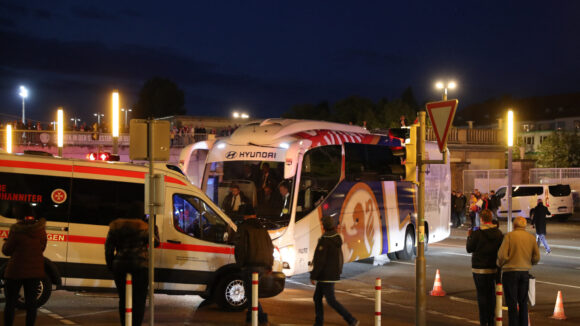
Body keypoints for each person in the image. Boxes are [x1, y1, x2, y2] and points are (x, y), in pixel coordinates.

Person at [105, 210, 159, 326]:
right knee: (139, 300)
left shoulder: (115, 227)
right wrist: (154, 228)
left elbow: (108, 249)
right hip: (140, 268)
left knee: (123, 299)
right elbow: (156, 243)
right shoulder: (144, 227)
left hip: (120, 267)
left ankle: (125, 323)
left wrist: (111, 266)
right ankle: (136, 324)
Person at [2, 204, 47, 326]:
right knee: (32, 304)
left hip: (15, 271)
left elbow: (7, 251)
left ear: (19, 216)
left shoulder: (16, 230)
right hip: (34, 272)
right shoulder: (41, 230)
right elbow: (41, 248)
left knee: (10, 303)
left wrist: (5, 243)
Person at [310, 216, 359, 326]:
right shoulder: (335, 238)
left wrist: (313, 275)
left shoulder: (325, 240)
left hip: (325, 275)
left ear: (324, 226)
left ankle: (351, 319)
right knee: (317, 297)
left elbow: (320, 260)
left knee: (331, 300)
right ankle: (318, 322)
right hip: (330, 274)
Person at [497, 217, 540, 326]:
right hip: (524, 273)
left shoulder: (509, 236)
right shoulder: (531, 238)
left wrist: (499, 264)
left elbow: (502, 255)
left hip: (510, 273)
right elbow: (536, 257)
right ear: (524, 225)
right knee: (523, 302)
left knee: (512, 303)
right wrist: (530, 263)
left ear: (514, 225)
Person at [466, 209, 503, 326]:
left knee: (481, 295)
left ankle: (483, 322)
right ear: (491, 218)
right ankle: (491, 321)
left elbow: (469, 249)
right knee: (491, 294)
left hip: (479, 269)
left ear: (481, 219)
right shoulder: (498, 233)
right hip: (493, 268)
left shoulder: (477, 233)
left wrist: (469, 237)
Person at [235, 214, 274, 326]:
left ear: (245, 216)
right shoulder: (262, 228)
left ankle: (261, 318)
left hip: (250, 265)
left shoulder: (243, 228)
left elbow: (240, 248)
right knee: (254, 292)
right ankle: (250, 316)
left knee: (250, 294)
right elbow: (270, 247)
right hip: (263, 266)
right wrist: (270, 265)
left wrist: (240, 264)